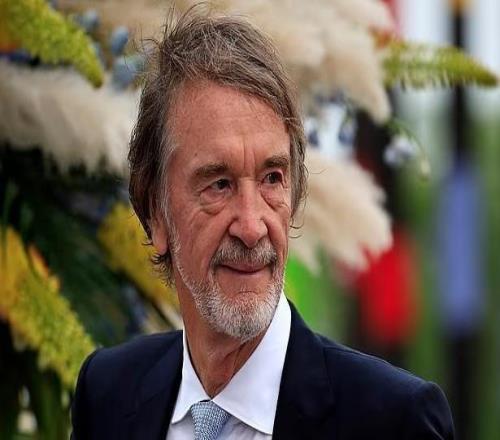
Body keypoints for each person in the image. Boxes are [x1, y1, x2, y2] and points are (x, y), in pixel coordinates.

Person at [71, 9, 455, 440]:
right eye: (219, 184)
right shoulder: (106, 395)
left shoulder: (393, 421)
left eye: (272, 179)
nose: (253, 227)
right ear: (155, 212)